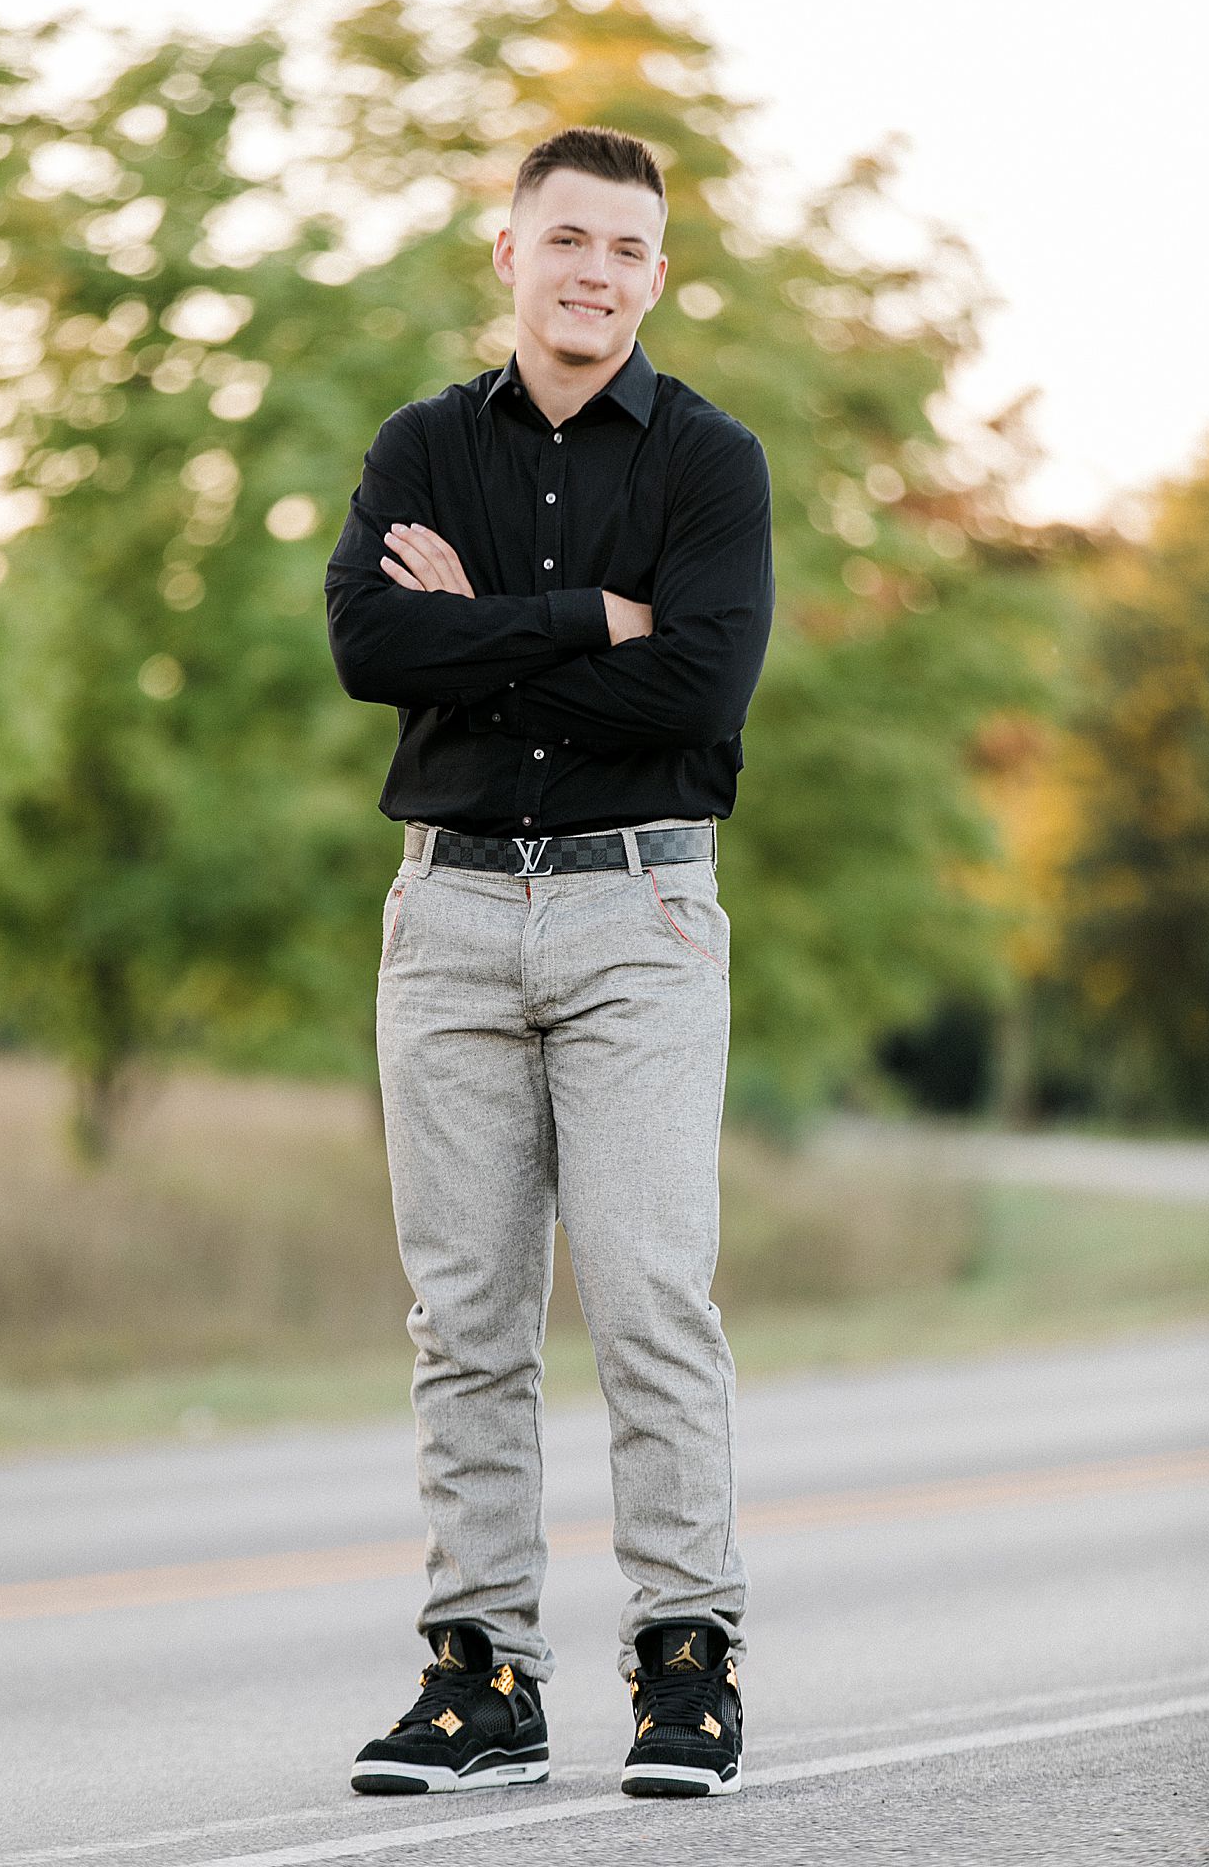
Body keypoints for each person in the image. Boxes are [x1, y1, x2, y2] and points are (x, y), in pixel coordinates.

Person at [324, 123, 774, 1801]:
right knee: (465, 1317)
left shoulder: (712, 465)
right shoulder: (421, 446)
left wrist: (483, 642)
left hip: (637, 916)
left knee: (652, 1296)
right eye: (568, 240)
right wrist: (597, 618)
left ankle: (688, 1666)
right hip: (442, 914)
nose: (598, 273)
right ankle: (481, 1671)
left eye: (631, 250)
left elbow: (703, 697)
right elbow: (373, 645)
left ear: (660, 274)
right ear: (506, 252)